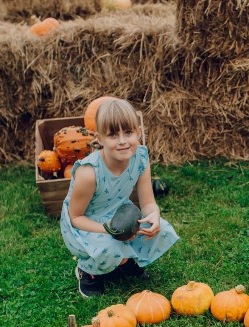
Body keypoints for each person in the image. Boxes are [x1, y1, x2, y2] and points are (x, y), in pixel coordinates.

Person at [60, 98, 178, 298]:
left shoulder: (140, 158)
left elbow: (148, 202)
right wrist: (109, 230)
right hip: (86, 224)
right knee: (110, 246)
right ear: (99, 139)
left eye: (128, 132)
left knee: (160, 230)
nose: (122, 141)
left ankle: (126, 260)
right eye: (113, 135)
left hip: (118, 212)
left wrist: (154, 215)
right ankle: (88, 271)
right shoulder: (89, 173)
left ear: (138, 132)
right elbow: (75, 218)